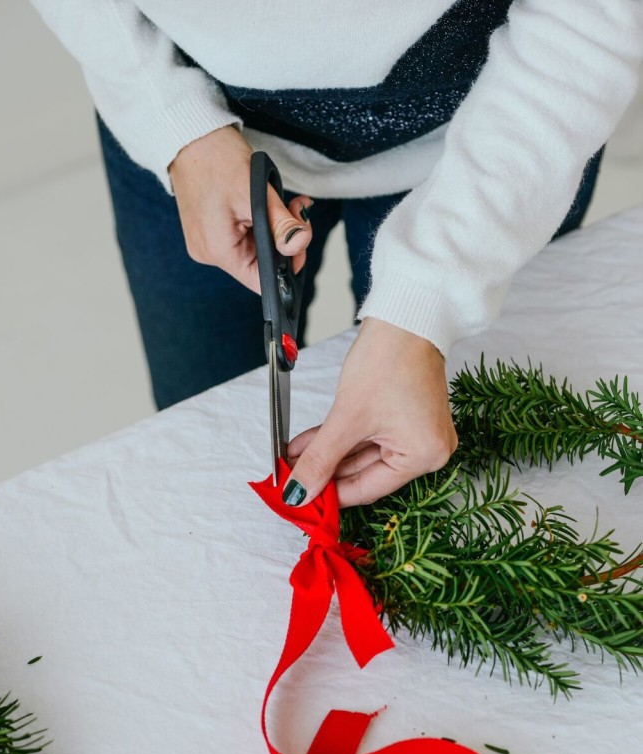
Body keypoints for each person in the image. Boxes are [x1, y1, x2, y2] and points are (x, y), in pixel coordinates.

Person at [31, 1, 642, 508]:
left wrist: (428, 300)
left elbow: (589, 18)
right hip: (189, 139)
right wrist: (172, 120)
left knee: (443, 454)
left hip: (494, 141)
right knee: (197, 416)